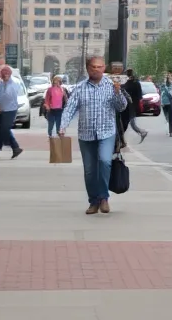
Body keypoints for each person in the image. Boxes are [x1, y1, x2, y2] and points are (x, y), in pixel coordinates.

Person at [59, 56, 128, 215]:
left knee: (104, 161)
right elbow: (70, 108)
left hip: (106, 132)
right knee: (90, 170)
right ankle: (93, 201)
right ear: (87, 68)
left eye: (99, 67)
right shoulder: (80, 88)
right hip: (86, 134)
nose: (96, 70)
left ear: (104, 68)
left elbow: (122, 107)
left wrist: (118, 93)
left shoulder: (112, 86)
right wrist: (63, 125)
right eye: (93, 67)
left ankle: (104, 197)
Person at [0, 65, 23, 159]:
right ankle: (15, 148)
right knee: (0, 129)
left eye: (7, 74)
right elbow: (0, 98)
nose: (5, 76)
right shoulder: (1, 85)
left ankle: (11, 145)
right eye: (3, 74)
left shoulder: (13, 84)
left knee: (4, 129)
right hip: (2, 109)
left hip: (11, 109)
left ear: (10, 74)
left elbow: (9, 97)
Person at [121, 69, 148, 144]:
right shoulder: (135, 83)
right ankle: (122, 140)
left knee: (128, 123)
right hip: (131, 106)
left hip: (130, 106)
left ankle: (142, 132)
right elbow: (140, 96)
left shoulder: (128, 83)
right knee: (128, 123)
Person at [158, 72, 172, 136]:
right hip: (167, 103)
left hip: (167, 103)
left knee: (169, 117)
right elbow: (163, 94)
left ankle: (169, 131)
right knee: (168, 117)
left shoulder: (167, 85)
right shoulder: (166, 85)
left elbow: (168, 94)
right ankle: (169, 131)